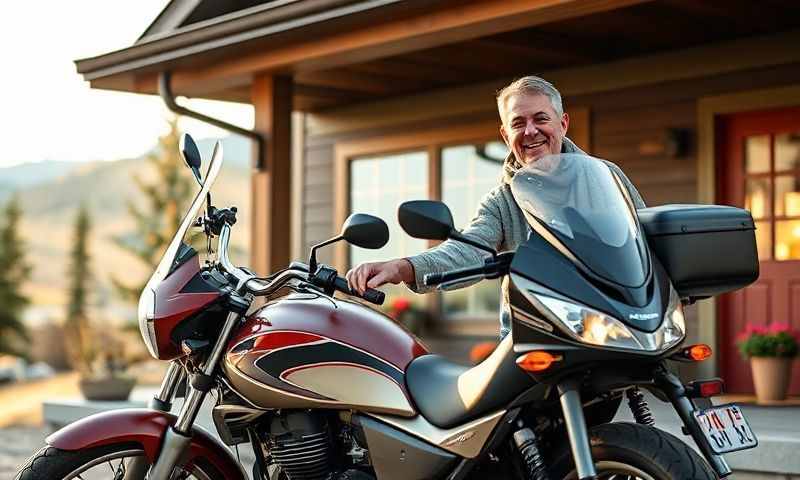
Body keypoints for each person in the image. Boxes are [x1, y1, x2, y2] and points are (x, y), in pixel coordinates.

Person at [346, 76, 646, 338]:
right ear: (505, 135)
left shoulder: (606, 177)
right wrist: (402, 267)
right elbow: (469, 250)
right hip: (531, 338)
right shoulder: (501, 201)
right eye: (518, 123)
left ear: (563, 123)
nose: (530, 131)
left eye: (541, 119)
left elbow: (643, 240)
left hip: (605, 331)